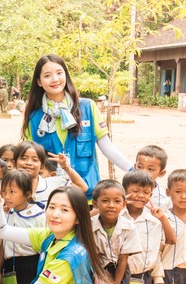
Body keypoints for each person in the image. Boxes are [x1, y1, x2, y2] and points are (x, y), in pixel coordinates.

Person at [22, 54, 133, 200]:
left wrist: (133, 171)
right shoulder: (34, 117)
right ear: (39, 82)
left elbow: (107, 147)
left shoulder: (88, 108)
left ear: (66, 76)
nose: (55, 79)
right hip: (51, 197)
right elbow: (26, 159)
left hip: (86, 195)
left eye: (59, 73)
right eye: (47, 75)